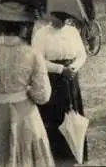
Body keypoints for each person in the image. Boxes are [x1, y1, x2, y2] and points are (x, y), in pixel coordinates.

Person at [0, 2, 55, 167]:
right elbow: (42, 95)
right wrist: (26, 90)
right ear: (24, 27)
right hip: (24, 117)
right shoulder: (32, 54)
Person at [31, 12, 89, 164]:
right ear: (50, 17)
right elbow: (37, 59)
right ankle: (56, 154)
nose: (61, 21)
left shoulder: (72, 31)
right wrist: (60, 69)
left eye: (64, 19)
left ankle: (73, 151)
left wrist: (73, 67)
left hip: (71, 78)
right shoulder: (41, 34)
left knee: (73, 115)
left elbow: (82, 55)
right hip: (52, 80)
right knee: (54, 115)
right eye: (57, 18)